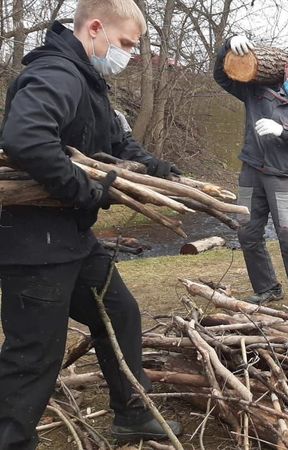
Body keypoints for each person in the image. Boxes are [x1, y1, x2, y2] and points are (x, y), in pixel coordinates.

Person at [0, 0, 182, 447]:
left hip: (72, 240)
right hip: (33, 244)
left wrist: (154, 167)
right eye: (124, 43)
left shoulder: (89, 82)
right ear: (95, 29)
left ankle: (132, 415)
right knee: (34, 357)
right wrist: (84, 191)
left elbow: (116, 142)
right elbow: (26, 138)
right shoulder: (57, 73)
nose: (126, 54)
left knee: (118, 312)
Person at [214, 35, 288, 318]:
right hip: (251, 171)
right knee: (247, 232)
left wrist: (284, 131)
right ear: (285, 69)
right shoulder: (258, 90)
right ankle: (267, 287)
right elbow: (222, 77)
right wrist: (228, 45)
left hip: (286, 177)